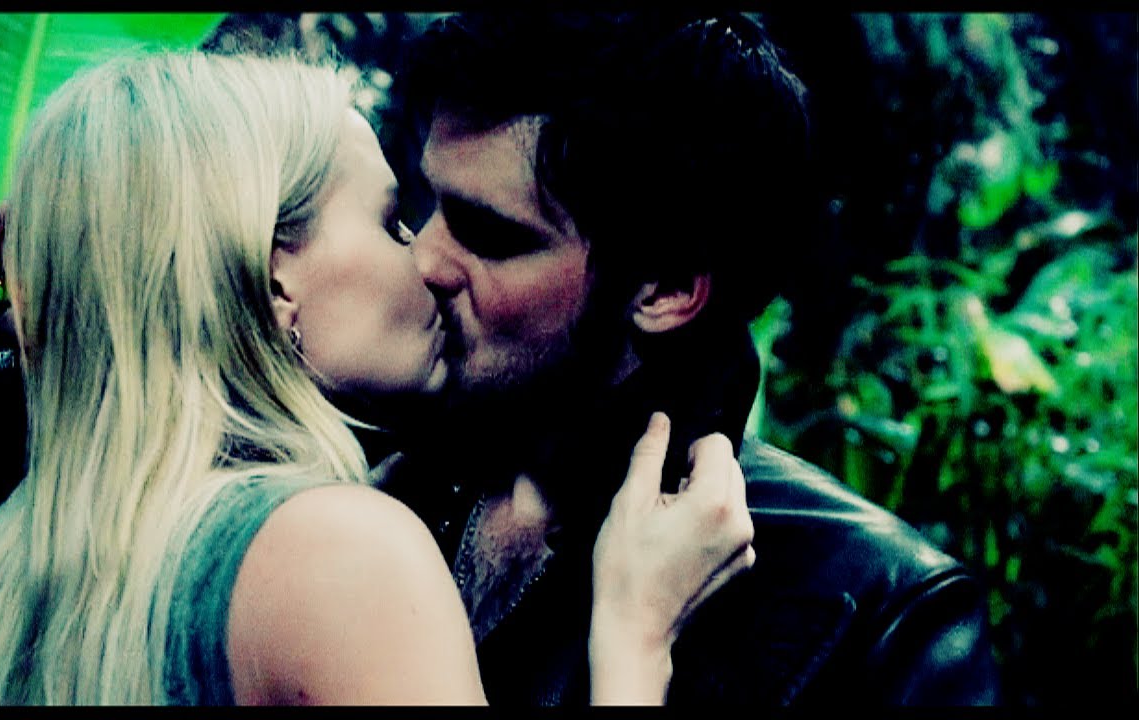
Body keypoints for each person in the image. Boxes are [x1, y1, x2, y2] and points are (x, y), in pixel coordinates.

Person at [0, 50, 756, 705]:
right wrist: (635, 640)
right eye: (391, 220)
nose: (427, 259)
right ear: (272, 280)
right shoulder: (342, 552)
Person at [374, 11, 1002, 705]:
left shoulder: (880, 617)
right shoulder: (371, 462)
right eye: (427, 203)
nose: (423, 257)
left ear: (667, 289)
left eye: (488, 234)